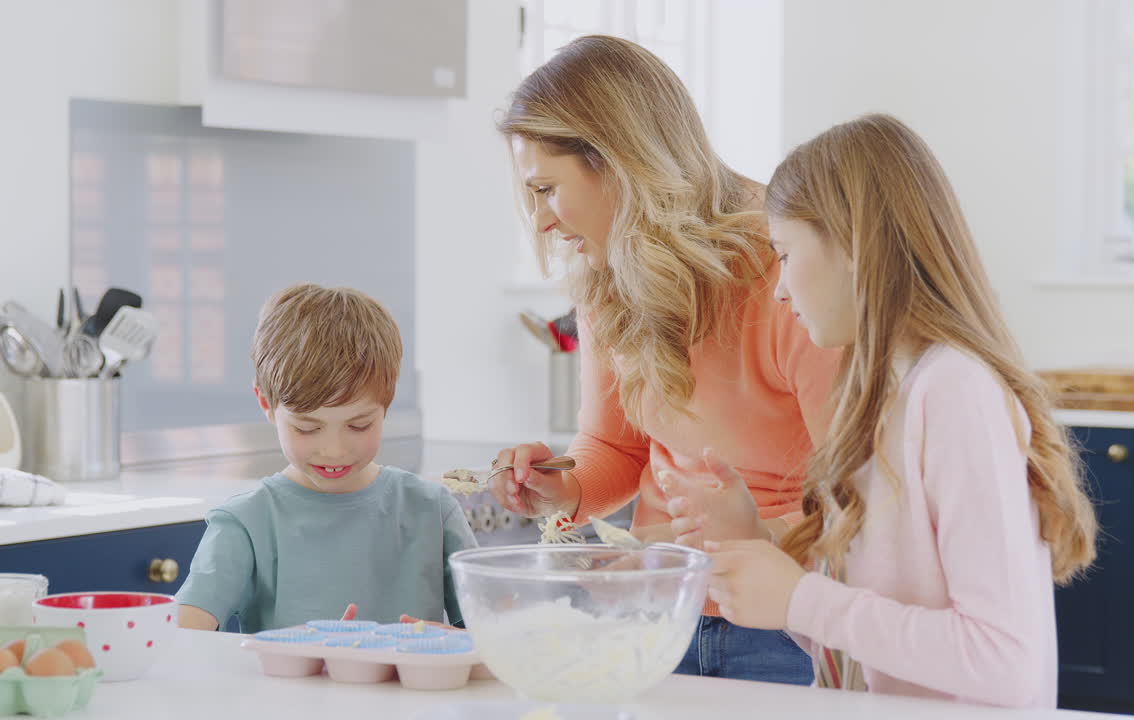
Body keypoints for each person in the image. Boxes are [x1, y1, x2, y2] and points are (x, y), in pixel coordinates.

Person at [667, 114, 1098, 706]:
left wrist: (802, 599)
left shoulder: (955, 390)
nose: (780, 289)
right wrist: (761, 549)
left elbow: (1005, 661)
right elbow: (865, 648)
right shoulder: (879, 398)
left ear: (852, 245)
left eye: (785, 254)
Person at [486, 35, 842, 685]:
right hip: (658, 616)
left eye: (546, 189)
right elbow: (615, 449)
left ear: (617, 164)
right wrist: (559, 486)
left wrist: (706, 551)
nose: (539, 221)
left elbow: (857, 507)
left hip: (783, 624)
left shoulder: (783, 268)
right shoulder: (607, 273)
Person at [176, 284, 476, 633]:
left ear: (387, 404)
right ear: (266, 405)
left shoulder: (432, 510)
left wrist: (457, 642)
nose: (334, 450)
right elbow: (185, 633)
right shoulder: (247, 522)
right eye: (307, 428)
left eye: (358, 425)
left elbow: (494, 630)